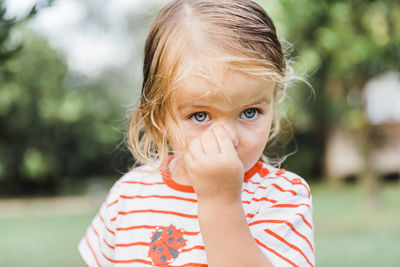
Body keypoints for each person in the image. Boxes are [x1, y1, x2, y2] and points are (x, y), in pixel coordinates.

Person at [78, 0, 314, 266]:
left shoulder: (281, 198)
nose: (227, 139)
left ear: (273, 101)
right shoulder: (128, 195)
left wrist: (222, 203)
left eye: (249, 112)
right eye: (200, 116)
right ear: (160, 118)